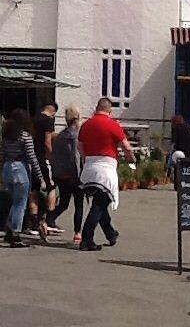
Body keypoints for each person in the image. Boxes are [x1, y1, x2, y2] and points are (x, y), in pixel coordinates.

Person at [77, 97, 134, 252]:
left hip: (89, 168)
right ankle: (87, 239)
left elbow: (80, 147)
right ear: (109, 110)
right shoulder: (112, 124)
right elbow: (127, 147)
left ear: (97, 108)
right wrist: (131, 159)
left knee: (100, 202)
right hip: (105, 169)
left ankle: (111, 234)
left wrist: (86, 158)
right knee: (100, 204)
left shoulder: (86, 125)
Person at [0, 108, 47, 248]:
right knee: (20, 203)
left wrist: (0, 173)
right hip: (20, 168)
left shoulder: (7, 136)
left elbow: (1, 155)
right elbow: (32, 158)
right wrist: (41, 177)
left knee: (14, 201)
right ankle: (15, 233)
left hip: (7, 168)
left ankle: (9, 229)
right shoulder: (25, 136)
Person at [48, 105, 84, 244]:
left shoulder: (61, 135)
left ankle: (49, 219)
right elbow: (75, 157)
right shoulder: (75, 136)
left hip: (61, 175)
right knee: (79, 205)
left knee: (64, 203)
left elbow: (55, 156)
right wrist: (79, 176)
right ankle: (77, 232)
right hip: (73, 175)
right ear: (77, 119)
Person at [29, 102, 58, 237]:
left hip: (31, 158)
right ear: (53, 111)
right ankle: (48, 220)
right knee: (51, 187)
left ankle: (34, 221)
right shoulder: (48, 121)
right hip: (42, 158)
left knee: (34, 189)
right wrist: (51, 156)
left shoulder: (33, 119)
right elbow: (47, 142)